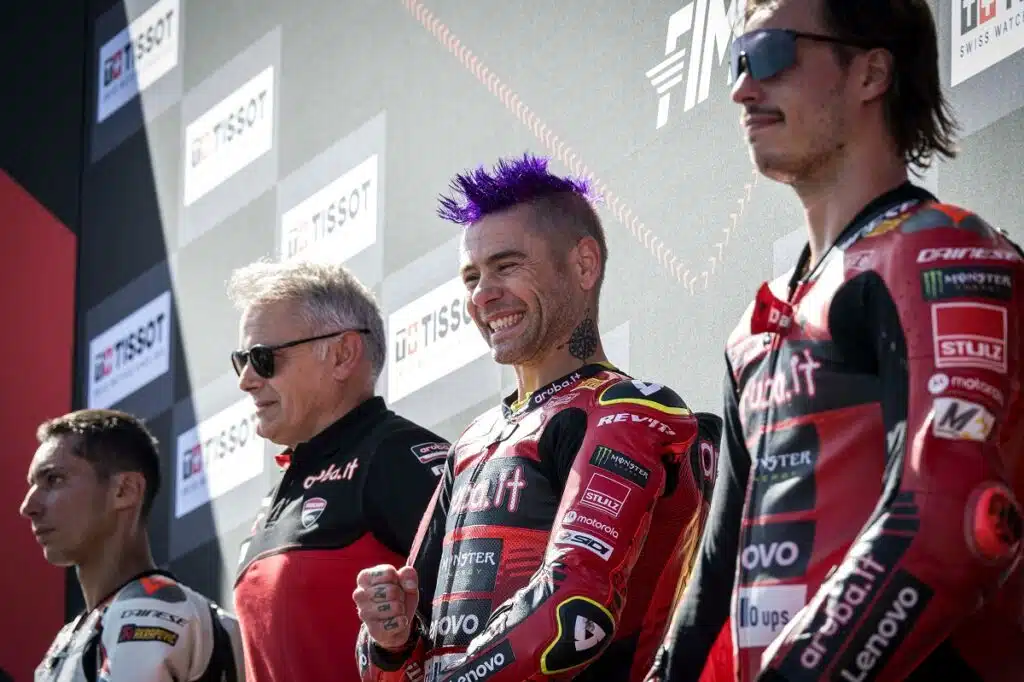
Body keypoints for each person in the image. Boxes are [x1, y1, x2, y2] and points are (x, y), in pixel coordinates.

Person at [649, 1, 1024, 681]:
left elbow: (951, 522)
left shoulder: (940, 253)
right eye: (737, 61)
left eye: (772, 53)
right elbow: (713, 590)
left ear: (870, 73)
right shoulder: (756, 326)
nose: (742, 88)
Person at [352, 154, 722, 682]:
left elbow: (574, 612)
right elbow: (394, 666)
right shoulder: (474, 440)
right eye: (472, 276)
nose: (482, 295)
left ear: (584, 265)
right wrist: (393, 639)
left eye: (507, 266)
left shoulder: (627, 411)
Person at [228, 259, 449, 682]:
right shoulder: (284, 486)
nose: (247, 380)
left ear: (343, 355)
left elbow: (487, 622)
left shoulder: (398, 457)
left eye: (263, 358)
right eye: (242, 360)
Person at [22, 409, 244, 682]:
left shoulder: (149, 608)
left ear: (125, 490)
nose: (28, 506)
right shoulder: (71, 637)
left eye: (54, 480)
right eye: (33, 485)